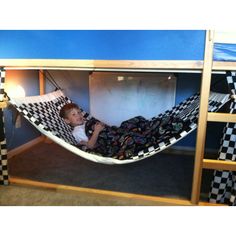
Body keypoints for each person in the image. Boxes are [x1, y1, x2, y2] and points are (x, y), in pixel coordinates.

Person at [59, 103, 188, 159]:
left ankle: (162, 123)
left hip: (114, 133)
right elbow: (91, 145)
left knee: (134, 122)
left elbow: (105, 130)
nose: (79, 115)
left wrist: (102, 127)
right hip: (111, 144)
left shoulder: (86, 122)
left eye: (79, 112)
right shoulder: (77, 132)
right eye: (74, 115)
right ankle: (159, 131)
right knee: (131, 138)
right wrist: (97, 131)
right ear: (67, 120)